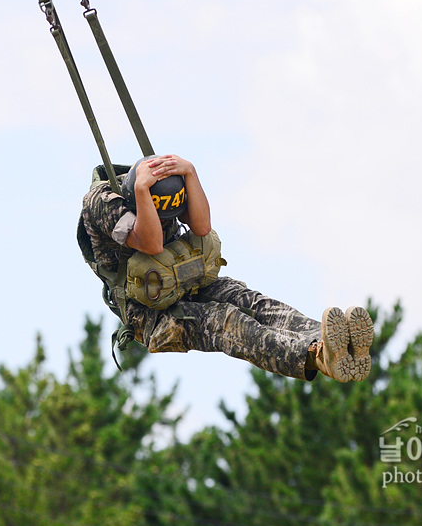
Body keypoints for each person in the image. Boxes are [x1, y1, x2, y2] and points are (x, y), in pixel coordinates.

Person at [79, 154, 373, 383]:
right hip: (153, 315)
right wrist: (143, 189)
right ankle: (315, 356)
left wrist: (190, 172)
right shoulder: (104, 204)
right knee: (228, 322)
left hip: (185, 282)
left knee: (254, 303)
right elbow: (153, 244)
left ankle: (334, 344)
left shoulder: (167, 183)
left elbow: (202, 227)